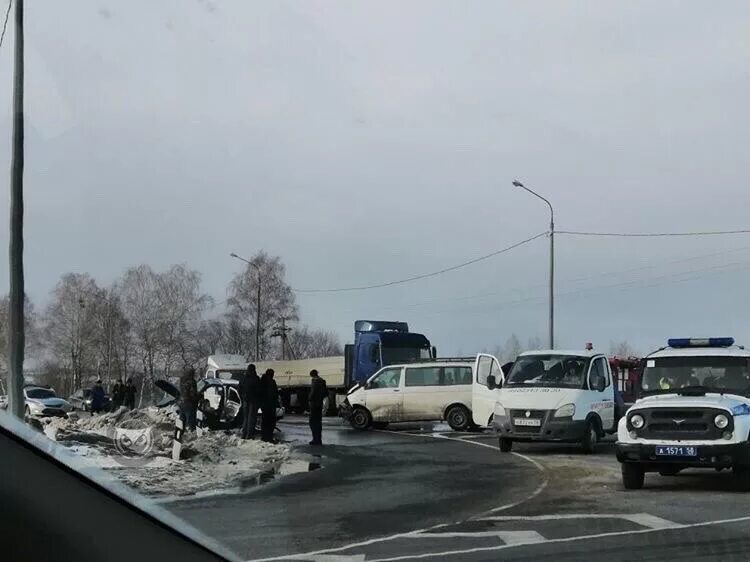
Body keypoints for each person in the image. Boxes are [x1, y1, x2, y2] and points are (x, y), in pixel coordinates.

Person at [239, 364, 260, 439]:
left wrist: (242, 397)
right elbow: (259, 391)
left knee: (246, 418)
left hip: (245, 400)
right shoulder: (256, 379)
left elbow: (239, 389)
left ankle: (244, 434)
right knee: (252, 418)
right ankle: (250, 434)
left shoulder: (243, 378)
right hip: (253, 401)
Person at [308, 369, 327, 446]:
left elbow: (312, 393)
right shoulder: (322, 381)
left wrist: (309, 399)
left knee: (312, 422)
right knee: (318, 422)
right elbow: (326, 393)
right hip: (319, 404)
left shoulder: (315, 382)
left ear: (312, 375)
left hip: (314, 405)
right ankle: (318, 439)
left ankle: (315, 439)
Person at [259, 368, 279, 443]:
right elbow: (273, 394)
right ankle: (269, 436)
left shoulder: (262, 381)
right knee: (271, 421)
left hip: (264, 404)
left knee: (265, 421)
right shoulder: (271, 382)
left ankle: (264, 436)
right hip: (270, 404)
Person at [179, 366, 199, 432]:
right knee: (191, 421)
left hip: (181, 403)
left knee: (182, 420)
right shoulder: (192, 382)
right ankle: (191, 433)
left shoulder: (182, 380)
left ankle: (180, 433)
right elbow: (192, 393)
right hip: (189, 403)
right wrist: (197, 398)